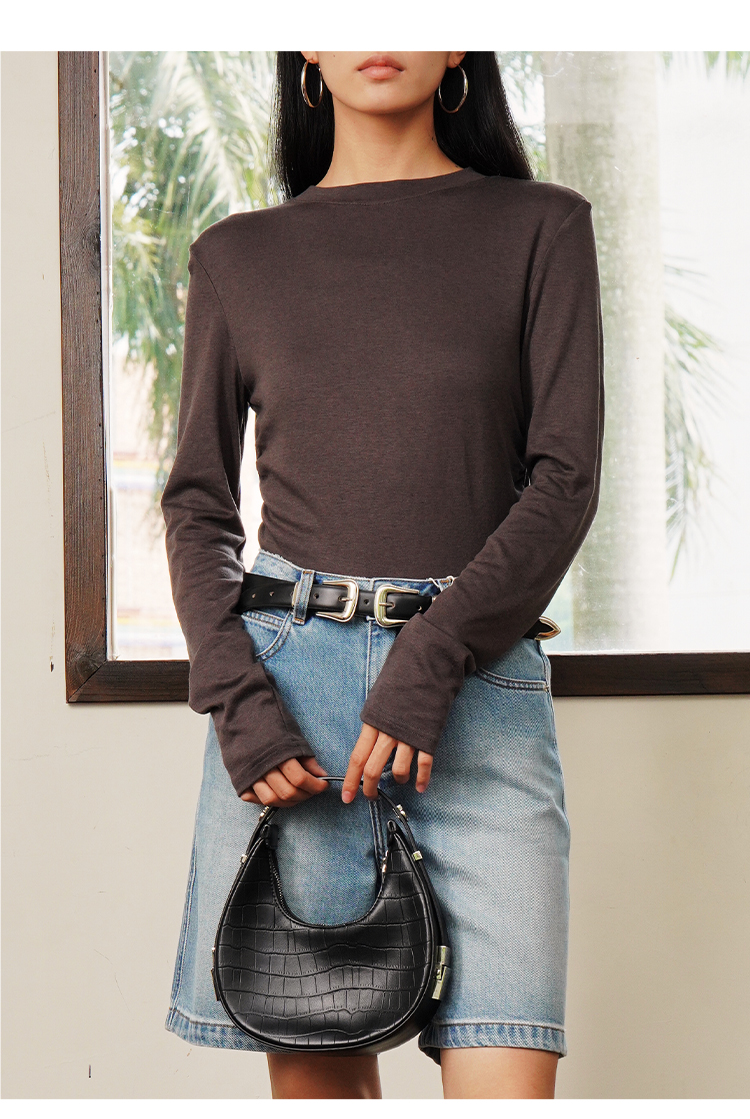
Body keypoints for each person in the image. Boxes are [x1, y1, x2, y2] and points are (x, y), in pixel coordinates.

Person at [161, 51, 604, 1100]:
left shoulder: (541, 227)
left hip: (478, 699)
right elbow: (198, 505)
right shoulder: (238, 257)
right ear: (305, 49)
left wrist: (436, 653)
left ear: (459, 46)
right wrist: (235, 699)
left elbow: (565, 480)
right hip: (291, 709)